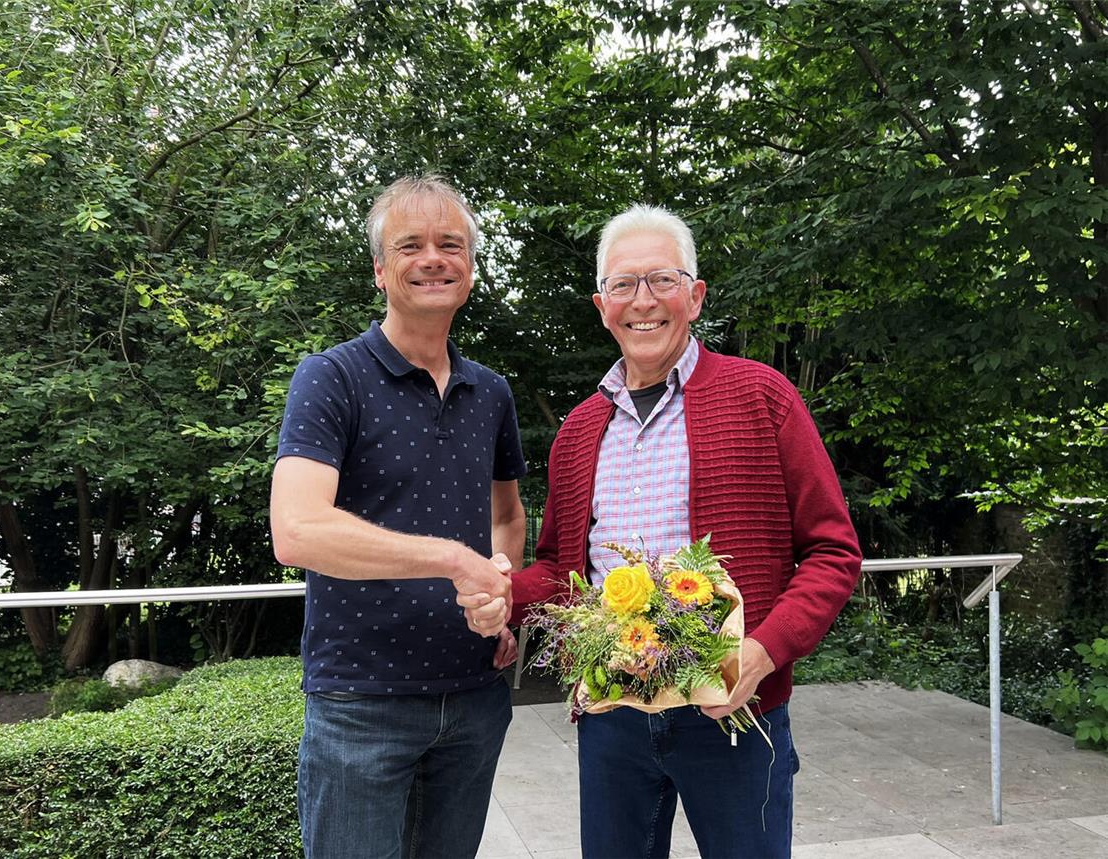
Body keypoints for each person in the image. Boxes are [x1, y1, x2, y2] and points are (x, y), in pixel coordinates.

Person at [498, 204, 862, 859]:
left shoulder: (764, 398)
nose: (643, 300)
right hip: (613, 716)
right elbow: (559, 568)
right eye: (623, 285)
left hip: (735, 713)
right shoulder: (579, 433)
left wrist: (762, 652)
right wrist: (500, 592)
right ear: (601, 304)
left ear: (694, 296)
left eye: (662, 280)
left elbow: (834, 551)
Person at [270, 175, 527, 859]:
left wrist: (502, 587)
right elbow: (296, 531)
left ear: (469, 270)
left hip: (474, 698)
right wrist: (450, 558)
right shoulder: (331, 377)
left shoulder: (491, 392)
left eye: (451, 243)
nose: (433, 257)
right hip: (361, 702)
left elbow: (507, 516)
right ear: (382, 271)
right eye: (410, 244)